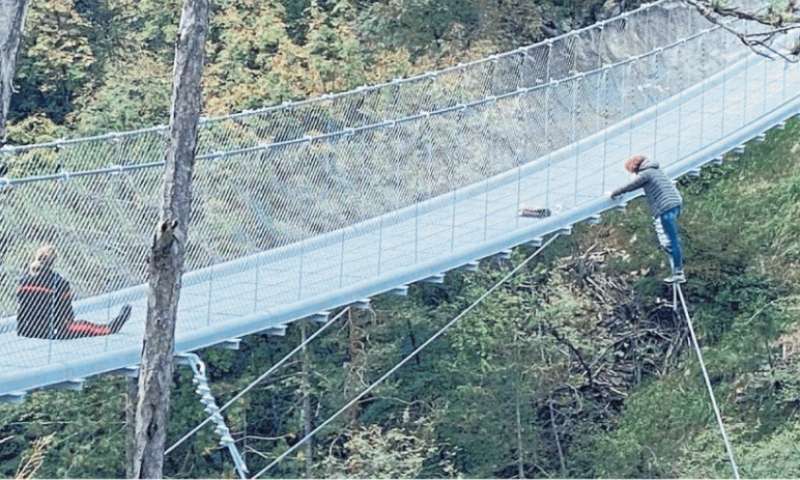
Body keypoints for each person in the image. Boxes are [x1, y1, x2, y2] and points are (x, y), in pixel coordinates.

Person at [16, 245, 132, 339]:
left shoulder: (23, 281)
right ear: (53, 262)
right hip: (51, 330)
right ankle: (112, 327)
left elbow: (21, 308)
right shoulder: (59, 282)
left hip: (26, 330)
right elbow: (66, 311)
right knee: (86, 326)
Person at [610, 155, 686, 283]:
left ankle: (678, 272)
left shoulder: (646, 173)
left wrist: (613, 193)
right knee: (670, 239)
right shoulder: (656, 170)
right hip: (675, 204)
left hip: (665, 207)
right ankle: (676, 267)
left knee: (671, 241)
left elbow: (630, 185)